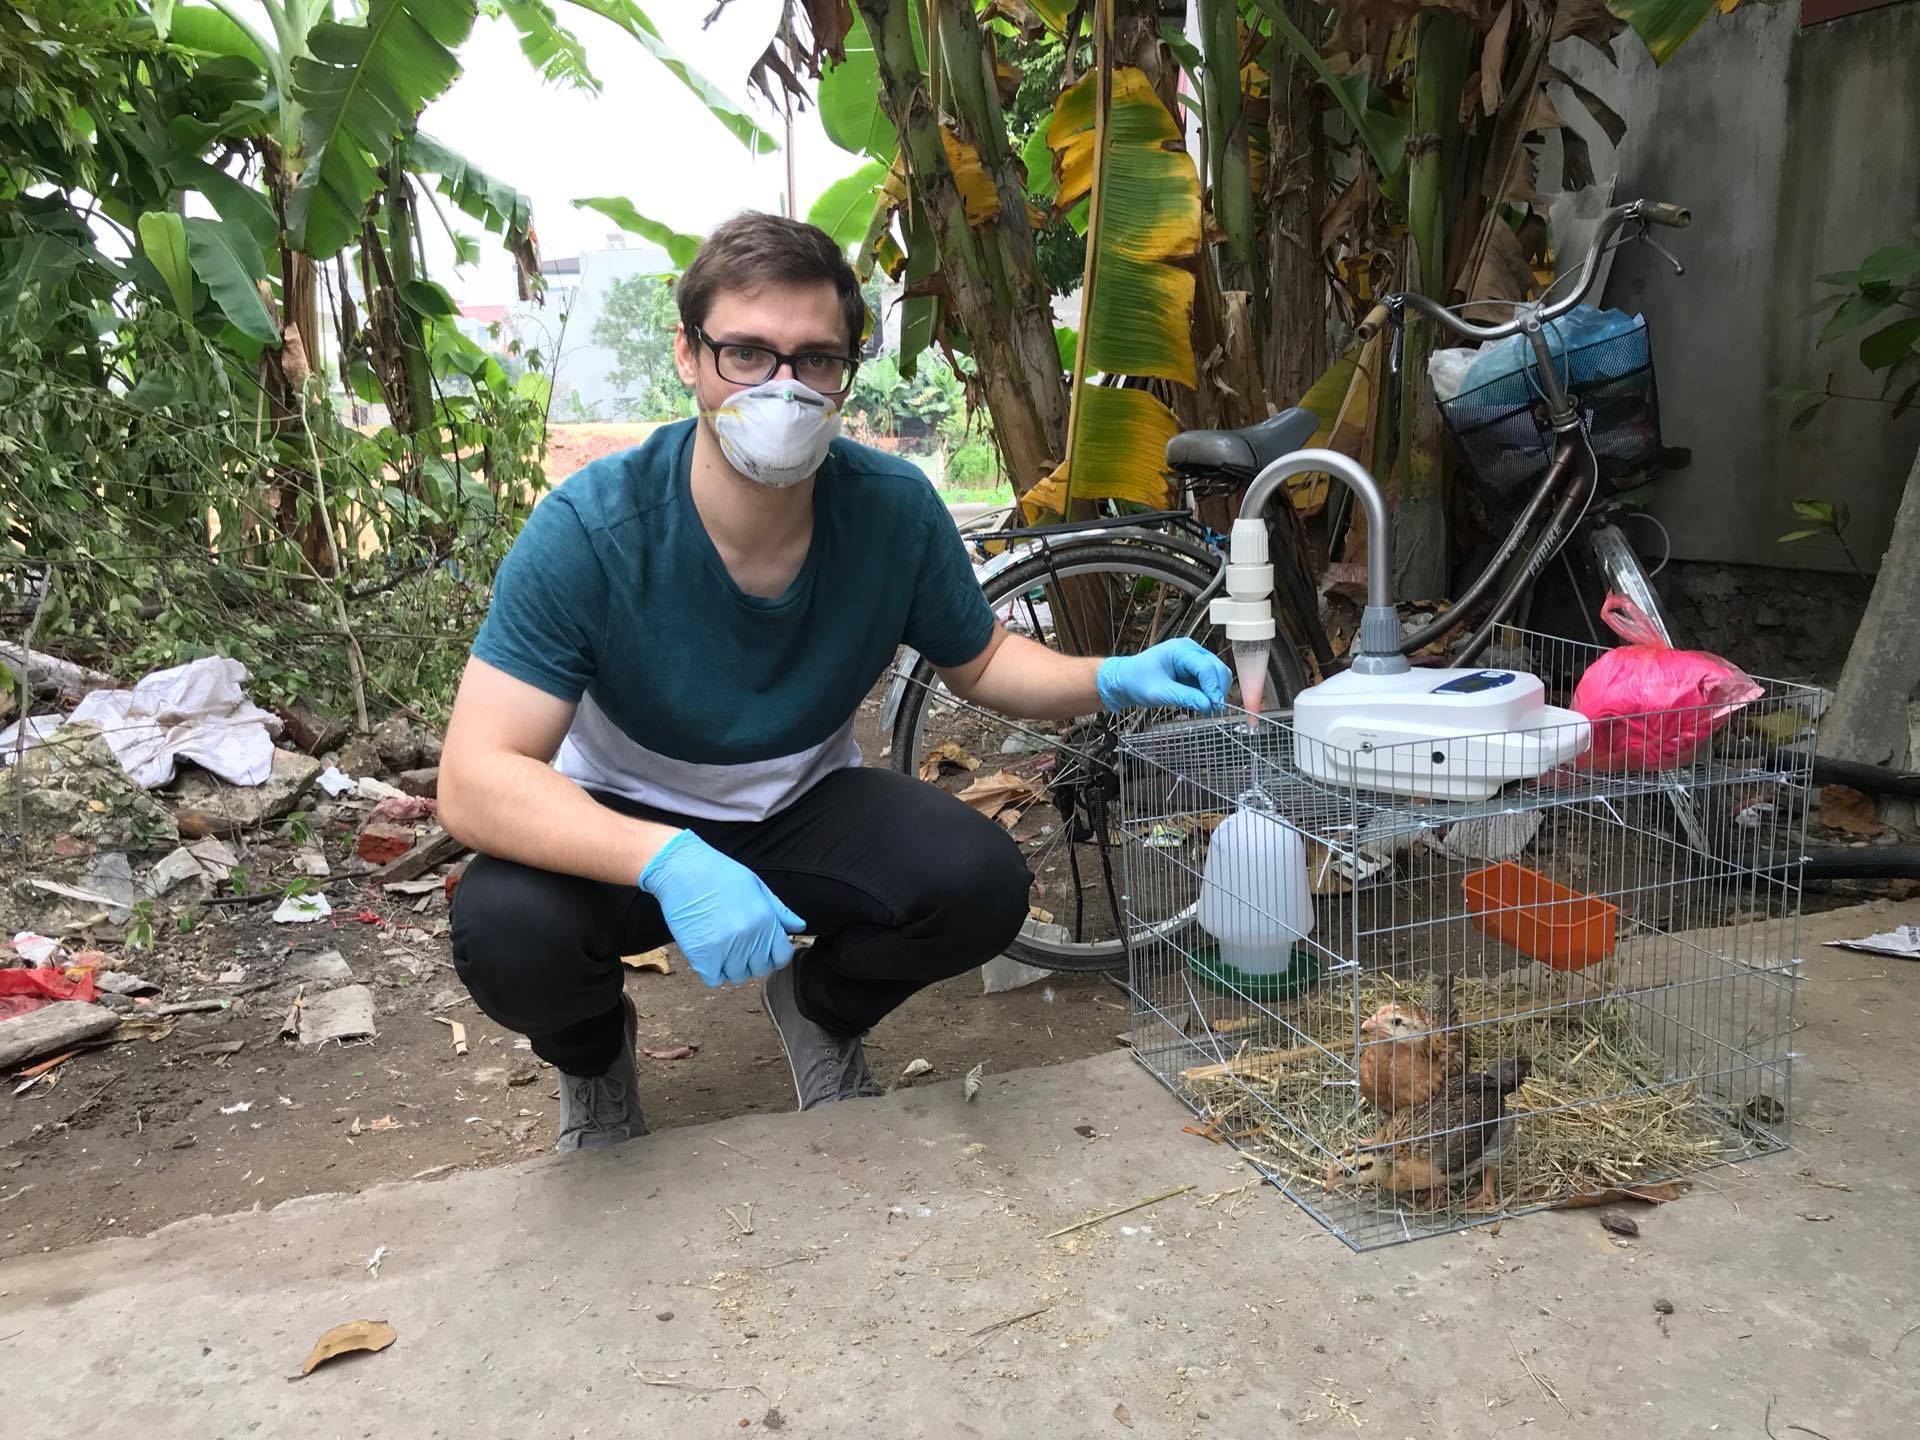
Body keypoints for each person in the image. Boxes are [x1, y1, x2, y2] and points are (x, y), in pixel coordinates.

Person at [440, 211, 1230, 1151]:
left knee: (977, 883)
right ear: (689, 355)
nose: (783, 387)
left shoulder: (890, 511)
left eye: (815, 359)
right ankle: (594, 1055)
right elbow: (477, 776)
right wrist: (668, 860)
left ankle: (820, 1008)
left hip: (799, 808)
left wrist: (1112, 676)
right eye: (747, 353)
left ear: (845, 373)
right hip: (625, 815)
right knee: (504, 928)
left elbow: (977, 659)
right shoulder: (591, 532)